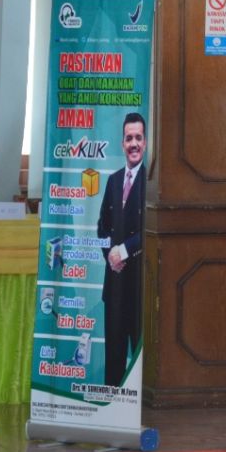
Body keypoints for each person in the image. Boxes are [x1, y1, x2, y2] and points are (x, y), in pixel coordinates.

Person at [96, 112, 146, 387]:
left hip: (138, 289)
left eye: (138, 137)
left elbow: (149, 230)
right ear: (122, 143)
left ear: (146, 142)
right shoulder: (113, 181)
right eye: (129, 138)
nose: (134, 143)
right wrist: (110, 257)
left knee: (139, 360)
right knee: (113, 361)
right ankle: (109, 412)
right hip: (113, 287)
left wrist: (124, 251)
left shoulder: (151, 182)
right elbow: (101, 227)